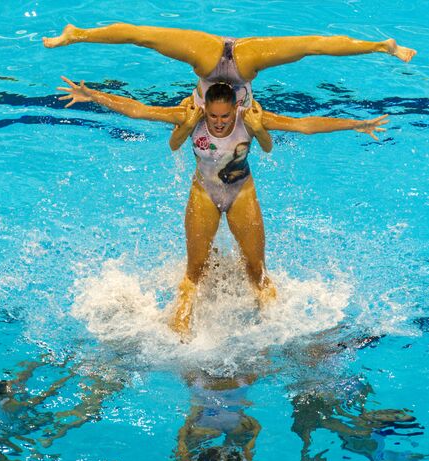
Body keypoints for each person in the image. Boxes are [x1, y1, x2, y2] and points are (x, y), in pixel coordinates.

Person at [57, 76, 389, 337]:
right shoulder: (192, 117)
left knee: (256, 272)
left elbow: (304, 124)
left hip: (241, 193)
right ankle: (179, 334)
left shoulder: (251, 119)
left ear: (235, 110)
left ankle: (277, 329)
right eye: (213, 116)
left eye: (224, 116)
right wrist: (94, 96)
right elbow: (139, 110)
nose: (218, 123)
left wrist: (356, 124)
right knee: (194, 273)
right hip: (204, 193)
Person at [43, 24, 416, 108]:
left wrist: (92, 94)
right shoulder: (248, 122)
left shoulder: (190, 117)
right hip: (244, 65)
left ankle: (77, 34)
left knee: (144, 36)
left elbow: (140, 111)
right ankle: (380, 46)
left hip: (208, 59)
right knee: (309, 46)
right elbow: (305, 126)